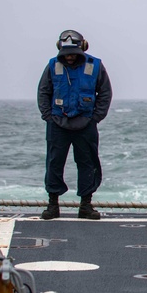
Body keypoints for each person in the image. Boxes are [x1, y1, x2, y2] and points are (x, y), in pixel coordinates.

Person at [37, 30, 113, 220]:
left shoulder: (95, 65)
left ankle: (85, 205)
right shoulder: (53, 65)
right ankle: (53, 205)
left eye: (73, 54)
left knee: (88, 163)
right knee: (54, 163)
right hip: (57, 123)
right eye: (66, 54)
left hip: (86, 124)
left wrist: (95, 118)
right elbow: (44, 92)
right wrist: (48, 116)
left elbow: (105, 93)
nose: (69, 58)